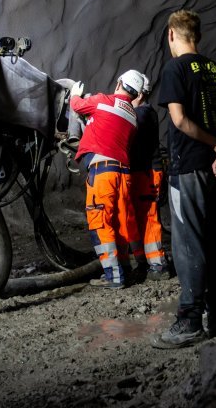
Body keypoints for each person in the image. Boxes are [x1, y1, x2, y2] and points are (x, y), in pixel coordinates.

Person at [151, 9, 216, 349]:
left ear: (172, 35)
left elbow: (178, 120)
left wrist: (210, 142)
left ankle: (189, 321)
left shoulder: (175, 69)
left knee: (188, 241)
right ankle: (215, 319)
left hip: (188, 167)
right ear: (198, 36)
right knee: (213, 240)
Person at [69, 69, 146, 289]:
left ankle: (114, 277)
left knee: (101, 222)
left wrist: (75, 93)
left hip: (103, 173)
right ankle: (125, 270)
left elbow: (76, 106)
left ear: (120, 82)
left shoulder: (102, 101)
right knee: (120, 223)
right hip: (123, 174)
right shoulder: (132, 117)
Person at [129, 75, 170, 280]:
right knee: (136, 217)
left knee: (149, 217)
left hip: (147, 172)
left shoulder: (143, 114)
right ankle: (143, 263)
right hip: (138, 172)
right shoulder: (139, 112)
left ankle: (158, 264)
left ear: (138, 93)